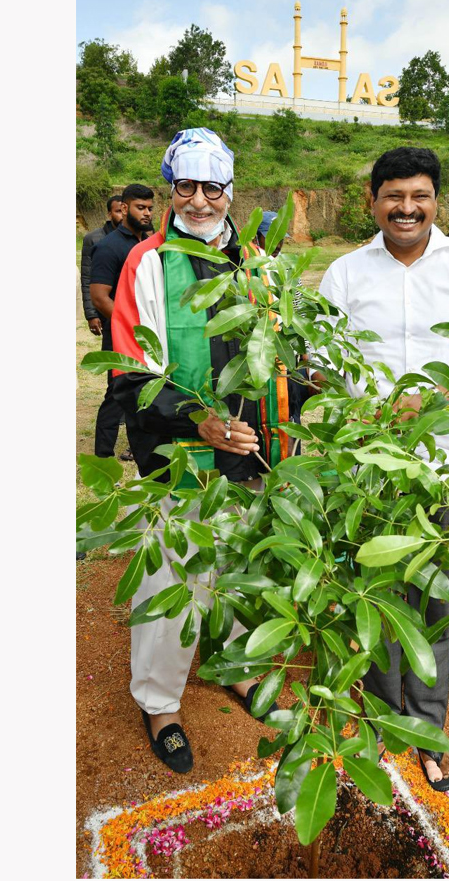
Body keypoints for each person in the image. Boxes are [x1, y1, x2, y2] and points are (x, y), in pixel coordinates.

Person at [311, 146, 449, 791]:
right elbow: (320, 364)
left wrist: (423, 404)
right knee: (376, 595)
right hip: (368, 467)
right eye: (393, 196)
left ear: (436, 201)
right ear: (373, 200)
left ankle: (426, 723)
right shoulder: (342, 274)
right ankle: (387, 712)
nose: (406, 208)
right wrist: (364, 407)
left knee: (435, 601)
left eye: (419, 195)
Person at [106, 128, 296, 773]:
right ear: (171, 189)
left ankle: (240, 670)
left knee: (244, 564)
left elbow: (276, 356)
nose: (199, 200)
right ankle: (159, 702)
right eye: (185, 186)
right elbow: (131, 369)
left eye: (211, 188)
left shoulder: (259, 264)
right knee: (172, 573)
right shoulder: (149, 262)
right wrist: (199, 421)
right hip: (177, 452)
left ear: (230, 192)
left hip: (252, 450)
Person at [89, 185, 156, 461]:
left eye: (150, 208)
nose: (147, 213)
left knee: (147, 393)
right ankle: (103, 457)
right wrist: (128, 326)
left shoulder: (150, 244)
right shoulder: (108, 246)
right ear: (125, 208)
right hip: (121, 334)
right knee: (117, 395)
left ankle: (140, 452)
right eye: (141, 207)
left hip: (150, 333)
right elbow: (99, 296)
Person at [81, 195, 125, 337]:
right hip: (104, 307)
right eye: (118, 211)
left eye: (124, 210)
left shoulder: (137, 237)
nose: (122, 215)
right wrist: (91, 315)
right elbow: (87, 277)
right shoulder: (93, 239)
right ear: (109, 214)